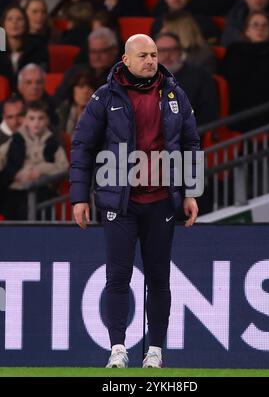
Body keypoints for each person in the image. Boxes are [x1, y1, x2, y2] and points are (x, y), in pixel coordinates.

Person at [70, 34, 200, 368]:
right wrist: (79, 197)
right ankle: (117, 349)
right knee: (118, 276)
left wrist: (191, 192)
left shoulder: (173, 94)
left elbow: (190, 143)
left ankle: (155, 351)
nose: (151, 60)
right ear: (126, 60)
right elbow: (83, 146)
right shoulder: (105, 96)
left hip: (161, 200)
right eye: (143, 55)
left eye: (154, 54)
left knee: (159, 277)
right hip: (120, 203)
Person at [220, 11, 269, 132]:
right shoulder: (234, 51)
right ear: (247, 30)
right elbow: (226, 80)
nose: (260, 29)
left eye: (265, 25)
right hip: (237, 107)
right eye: (255, 25)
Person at [0, 100, 69, 220]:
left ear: (47, 120)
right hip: (16, 190)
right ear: (25, 120)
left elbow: (64, 167)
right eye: (31, 118)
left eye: (40, 118)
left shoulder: (52, 142)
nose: (36, 123)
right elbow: (1, 156)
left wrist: (42, 169)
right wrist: (16, 174)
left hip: (42, 189)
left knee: (43, 207)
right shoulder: (16, 139)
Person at [155, 31, 218, 126]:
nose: (167, 55)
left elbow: (208, 116)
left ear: (180, 52)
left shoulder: (201, 77)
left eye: (173, 50)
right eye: (161, 51)